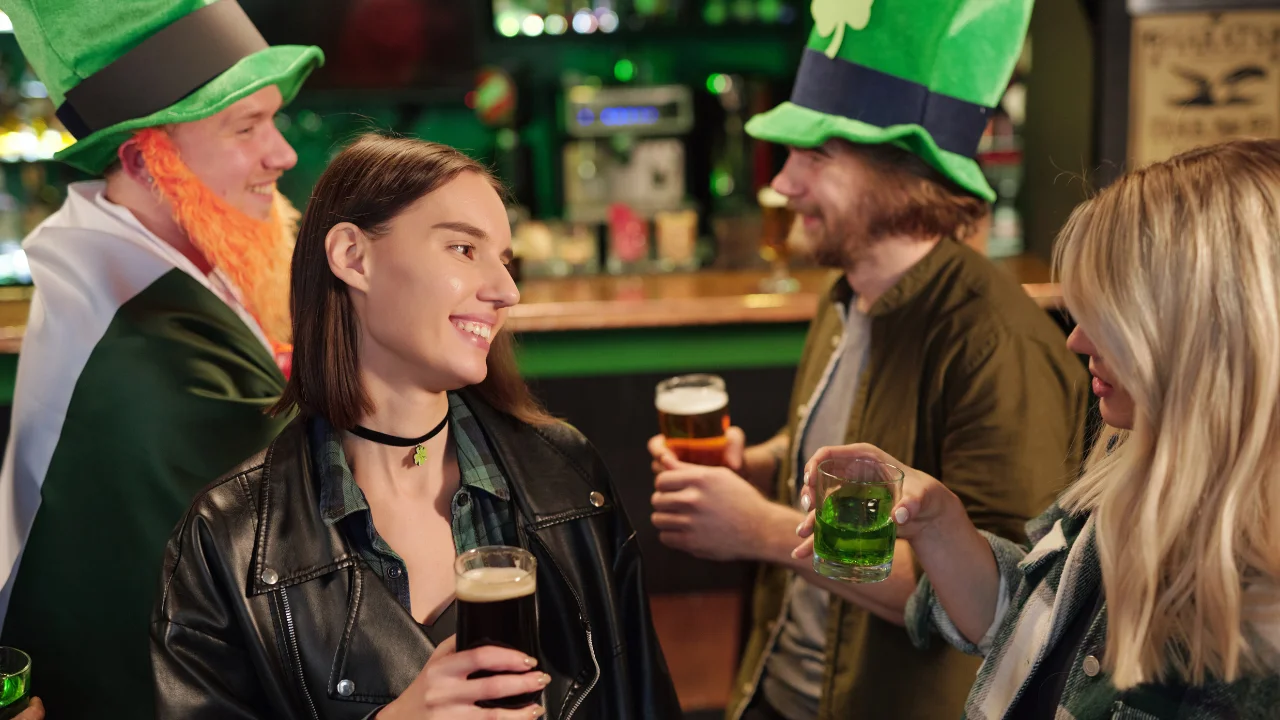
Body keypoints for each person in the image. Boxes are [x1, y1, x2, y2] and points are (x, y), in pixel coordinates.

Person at [646, 1, 1090, 718]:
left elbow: (1001, 597)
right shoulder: (846, 291)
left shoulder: (996, 342)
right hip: (779, 688)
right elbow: (859, 444)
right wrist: (760, 462)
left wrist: (758, 527)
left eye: (815, 155)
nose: (783, 183)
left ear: (902, 173)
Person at [151, 134, 682, 719]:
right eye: (462, 248)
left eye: (504, 261)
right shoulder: (224, 539)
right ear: (354, 256)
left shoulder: (571, 475)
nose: (506, 291)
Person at [795, 138, 1280, 717]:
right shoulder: (1127, 475)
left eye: (1112, 316)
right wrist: (941, 524)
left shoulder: (1258, 617)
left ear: (1210, 332)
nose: (1076, 341)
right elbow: (1028, 628)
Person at [0, 0, 323, 715]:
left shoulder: (128, 260)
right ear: (148, 156)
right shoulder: (155, 347)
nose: (283, 154)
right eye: (246, 126)